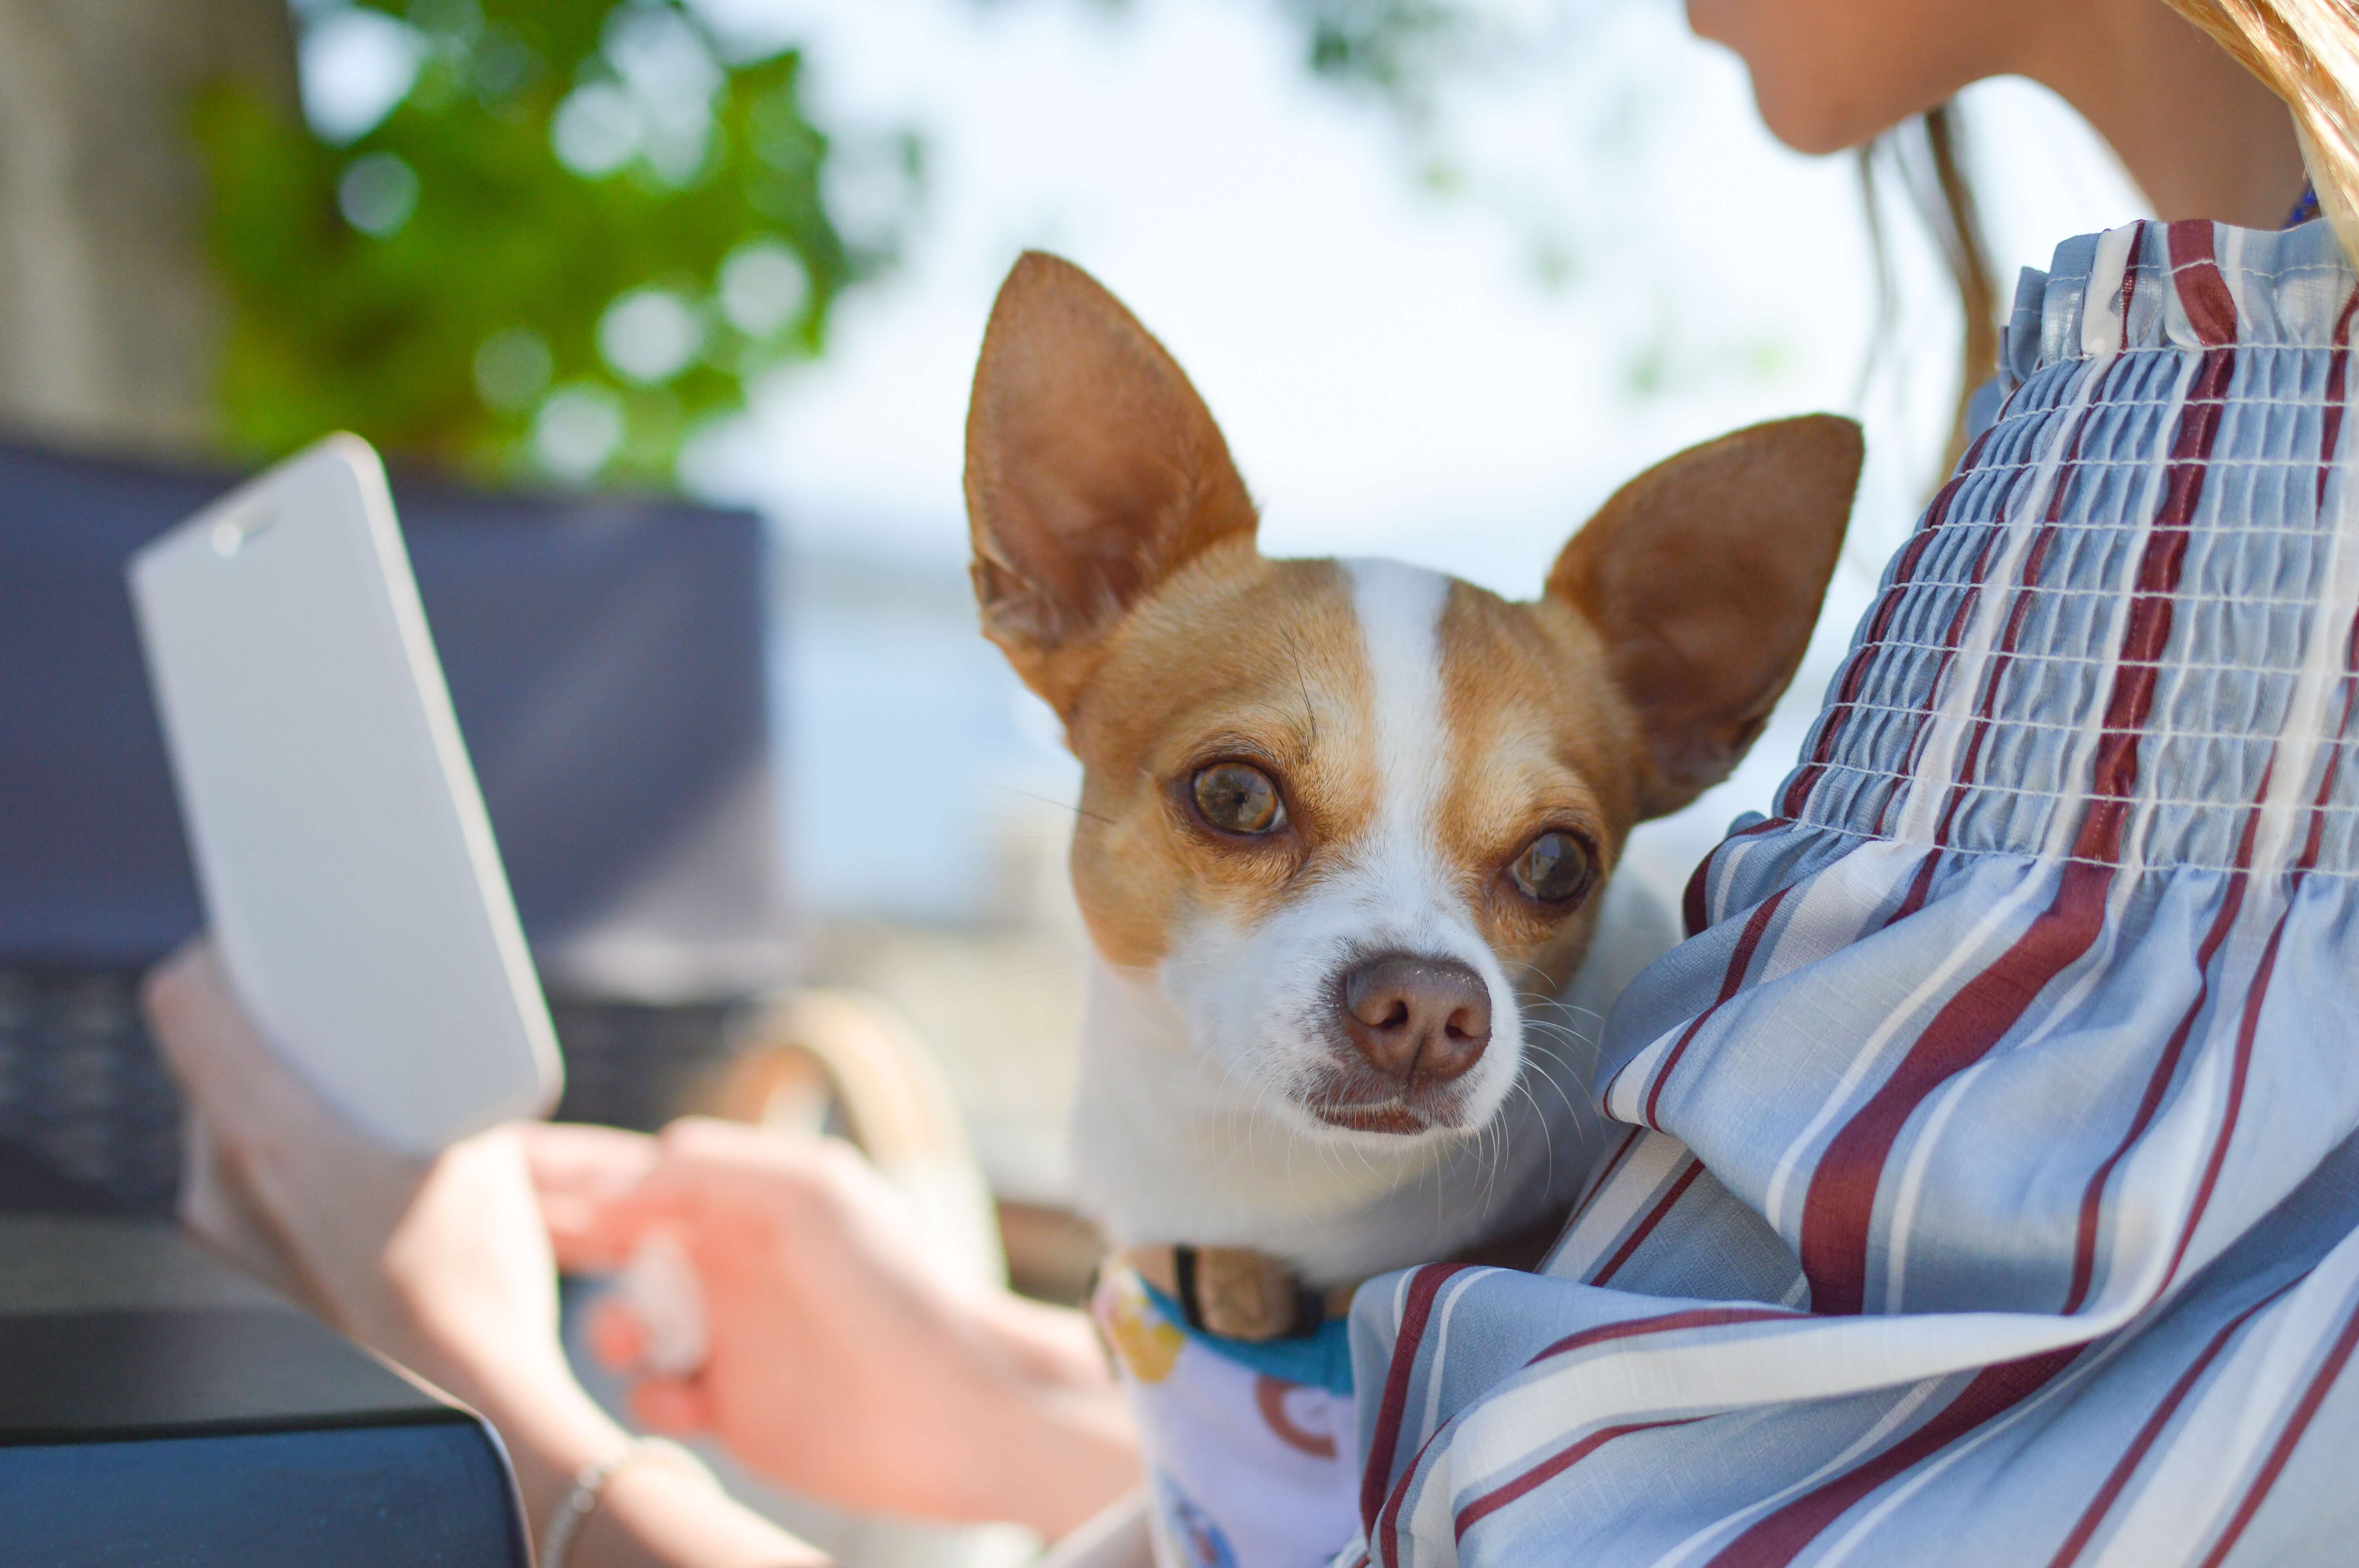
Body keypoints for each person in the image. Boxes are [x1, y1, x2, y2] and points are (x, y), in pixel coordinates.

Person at [144, 1, 2359, 1564]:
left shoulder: (2272, 526)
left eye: (1543, 871)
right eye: (1244, 801)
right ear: (1057, 597)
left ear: (1677, 742)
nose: (1428, 982)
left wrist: (490, 1422)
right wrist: (1060, 1391)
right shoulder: (2120, 435)